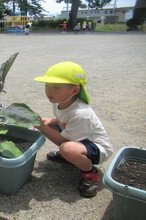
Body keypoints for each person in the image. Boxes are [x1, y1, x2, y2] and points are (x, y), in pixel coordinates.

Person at [33, 61, 113, 198]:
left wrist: (43, 127)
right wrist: (49, 121)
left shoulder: (81, 113)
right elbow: (61, 119)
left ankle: (90, 173)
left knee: (67, 148)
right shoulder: (60, 101)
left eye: (56, 87)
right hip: (80, 139)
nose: (49, 91)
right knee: (51, 128)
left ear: (75, 90)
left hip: (98, 148)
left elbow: (64, 140)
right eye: (47, 85)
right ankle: (70, 157)